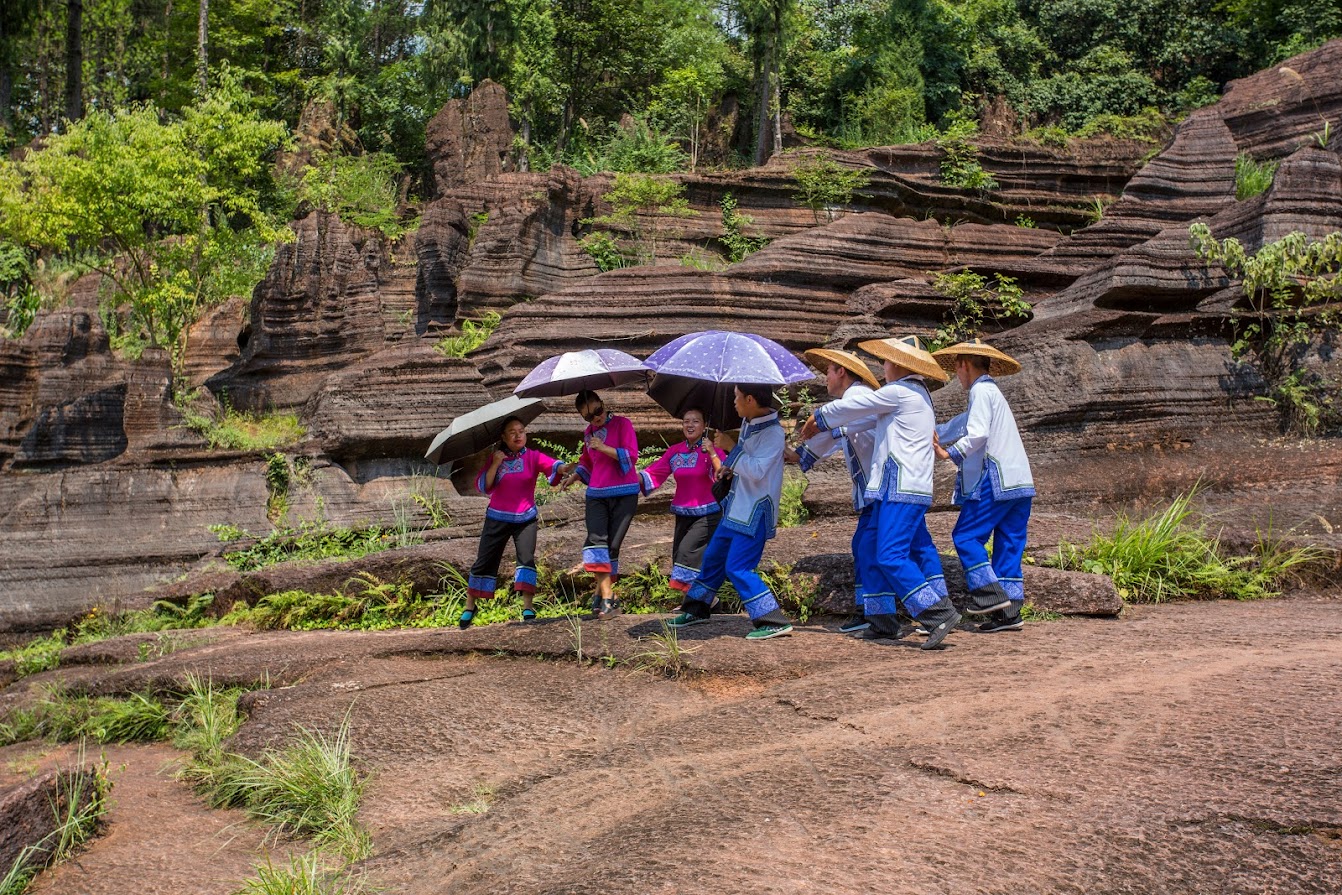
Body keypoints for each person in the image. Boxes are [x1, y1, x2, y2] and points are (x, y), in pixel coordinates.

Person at [798, 336, 961, 650]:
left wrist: (817, 419)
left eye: (886, 361)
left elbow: (858, 407)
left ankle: (937, 613)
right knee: (872, 547)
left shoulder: (900, 392)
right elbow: (858, 421)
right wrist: (816, 440)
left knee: (890, 555)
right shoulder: (912, 395)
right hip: (894, 487)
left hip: (902, 488)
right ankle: (883, 621)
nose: (883, 368)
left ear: (899, 364)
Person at [669, 384, 794, 640]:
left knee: (738, 567)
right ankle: (696, 609)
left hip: (755, 510)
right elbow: (745, 462)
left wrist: (731, 447)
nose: (733, 402)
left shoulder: (773, 433)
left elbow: (758, 471)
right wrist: (727, 467)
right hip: (736, 506)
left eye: (736, 397)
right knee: (714, 557)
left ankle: (772, 620)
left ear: (750, 399)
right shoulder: (750, 422)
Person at [931, 339, 1035, 633]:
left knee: (965, 536)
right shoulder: (992, 392)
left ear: (963, 364)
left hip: (997, 478)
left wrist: (947, 453)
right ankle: (1009, 614)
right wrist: (936, 431)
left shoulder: (980, 391)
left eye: (956, 368)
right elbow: (964, 423)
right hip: (1021, 482)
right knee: (1009, 542)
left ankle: (988, 596)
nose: (956, 375)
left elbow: (976, 433)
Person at [791, 348, 880, 634]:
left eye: (828, 371)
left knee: (868, 546)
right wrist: (789, 452)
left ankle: (880, 611)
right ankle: (874, 610)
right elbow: (823, 440)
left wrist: (815, 420)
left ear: (841, 371)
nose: (825, 378)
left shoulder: (859, 397)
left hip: (883, 488)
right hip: (874, 491)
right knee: (870, 546)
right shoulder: (850, 405)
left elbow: (828, 424)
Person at [461, 416, 573, 629]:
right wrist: (495, 463)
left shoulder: (532, 457)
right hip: (497, 517)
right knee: (484, 559)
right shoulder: (496, 458)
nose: (518, 435)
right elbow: (485, 486)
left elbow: (553, 466)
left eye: (521, 431)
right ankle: (470, 606)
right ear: (503, 437)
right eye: (512, 432)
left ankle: (527, 607)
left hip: (525, 517)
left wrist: (566, 467)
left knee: (526, 558)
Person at [563, 390, 641, 618]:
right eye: (589, 417)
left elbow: (632, 455)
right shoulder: (588, 433)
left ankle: (603, 594)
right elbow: (588, 461)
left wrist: (604, 447)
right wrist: (576, 475)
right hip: (596, 493)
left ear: (603, 404)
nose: (595, 418)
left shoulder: (622, 424)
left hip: (625, 493)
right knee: (596, 542)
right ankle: (607, 597)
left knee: (612, 546)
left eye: (597, 411)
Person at [638, 408, 727, 593]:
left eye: (695, 421)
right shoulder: (675, 452)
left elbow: (723, 474)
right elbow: (654, 473)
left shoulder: (713, 451)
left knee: (687, 554)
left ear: (704, 427)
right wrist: (628, 477)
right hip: (683, 513)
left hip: (708, 514)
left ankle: (697, 602)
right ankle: (705, 602)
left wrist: (711, 452)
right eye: (686, 421)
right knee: (679, 558)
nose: (690, 425)